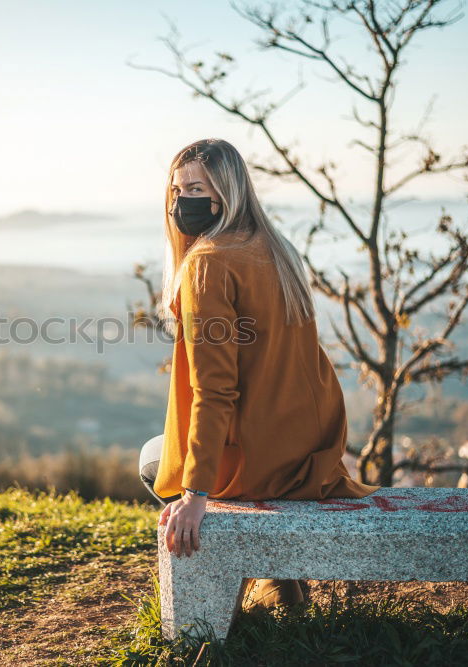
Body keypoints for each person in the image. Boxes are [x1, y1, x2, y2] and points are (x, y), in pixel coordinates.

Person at [138, 138, 382, 615]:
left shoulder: (207, 263)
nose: (180, 201)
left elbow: (215, 390)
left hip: (261, 461)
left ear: (226, 193)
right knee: (172, 452)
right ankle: (279, 583)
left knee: (152, 461)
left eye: (194, 188)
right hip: (309, 448)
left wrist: (194, 494)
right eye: (175, 188)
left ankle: (240, 595)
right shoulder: (274, 247)